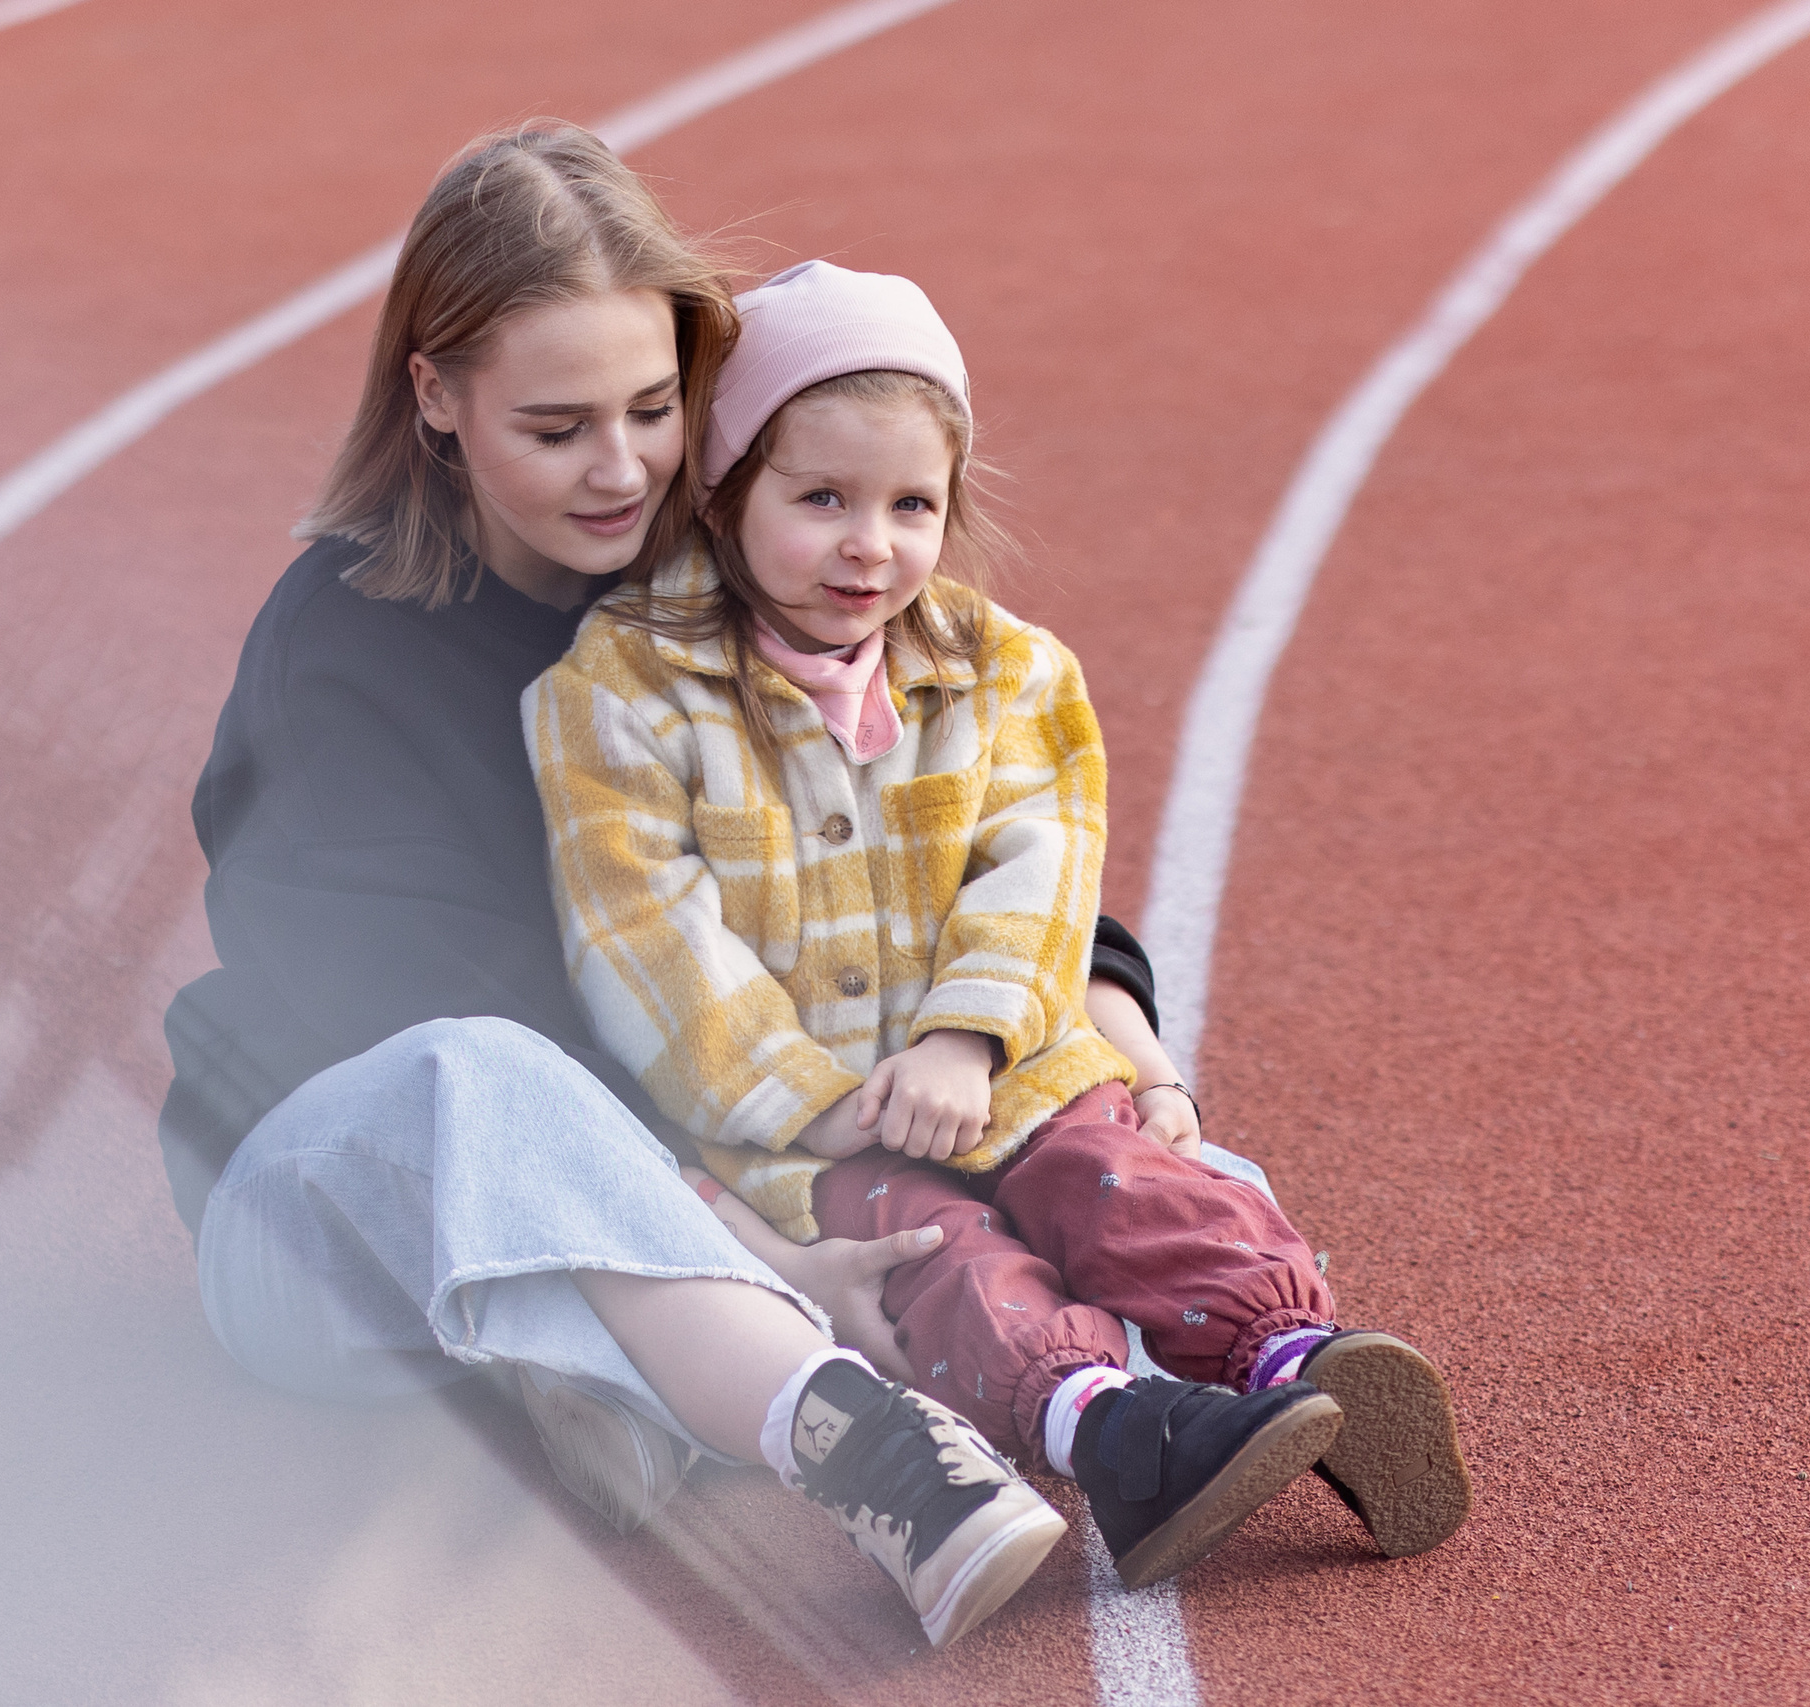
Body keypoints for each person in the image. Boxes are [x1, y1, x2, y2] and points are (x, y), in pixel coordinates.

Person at [161, 124, 1181, 1649]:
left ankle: (627, 1399)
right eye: (557, 425)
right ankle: (866, 1448)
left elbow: (931, 820)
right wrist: (752, 1252)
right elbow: (414, 1038)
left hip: (674, 1185)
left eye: (653, 410)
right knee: (483, 1068)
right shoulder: (342, 648)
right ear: (434, 396)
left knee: (1008, 1135)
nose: (622, 468)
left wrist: (1105, 993)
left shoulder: (723, 589)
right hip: (340, 1209)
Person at [524, 260, 1474, 1590]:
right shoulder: (620, 693)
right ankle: (1112, 1430)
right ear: (727, 493)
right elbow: (643, 929)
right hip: (799, 1135)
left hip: (1006, 1072)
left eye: (913, 505)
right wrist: (817, 1100)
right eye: (821, 501)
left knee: (1128, 1183)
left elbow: (1042, 871)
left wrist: (970, 1040)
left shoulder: (1008, 670)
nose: (872, 546)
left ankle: (1295, 1359)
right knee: (936, 1257)